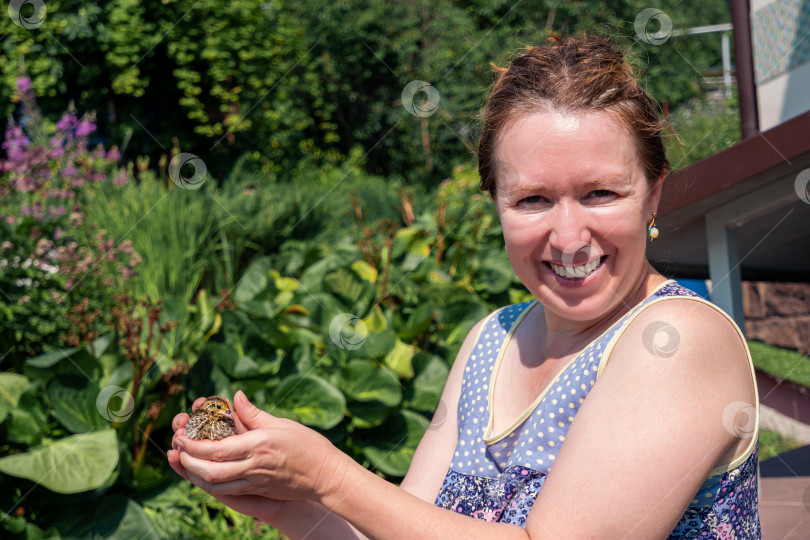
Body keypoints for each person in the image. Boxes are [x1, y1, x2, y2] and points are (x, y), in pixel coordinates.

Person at [168, 34, 760, 538]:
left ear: (652, 195)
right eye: (533, 199)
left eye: (600, 193)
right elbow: (410, 527)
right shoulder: (492, 340)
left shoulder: (674, 339)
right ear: (497, 205)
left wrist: (329, 474)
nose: (569, 235)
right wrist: (289, 502)